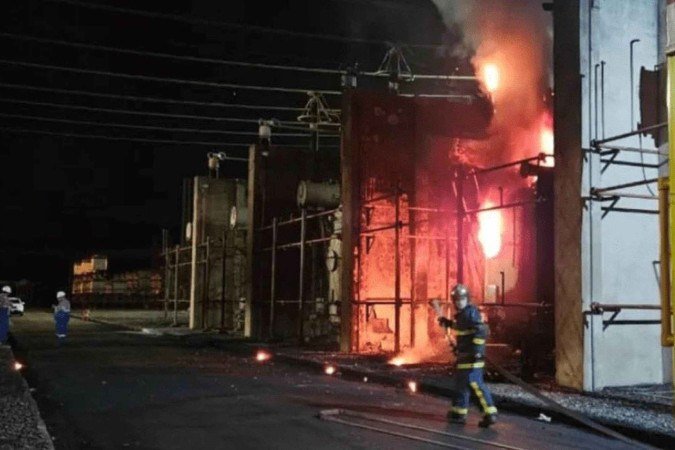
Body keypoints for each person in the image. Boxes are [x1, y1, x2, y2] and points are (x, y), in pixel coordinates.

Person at [438, 284, 498, 428]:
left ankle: (490, 413)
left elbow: (481, 331)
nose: (459, 302)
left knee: (474, 384)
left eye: (462, 299)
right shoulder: (463, 315)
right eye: (457, 300)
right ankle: (458, 413)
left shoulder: (471, 312)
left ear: (467, 299)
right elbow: (463, 328)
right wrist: (448, 323)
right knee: (461, 385)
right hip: (465, 356)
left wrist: (477, 351)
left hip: (472, 357)